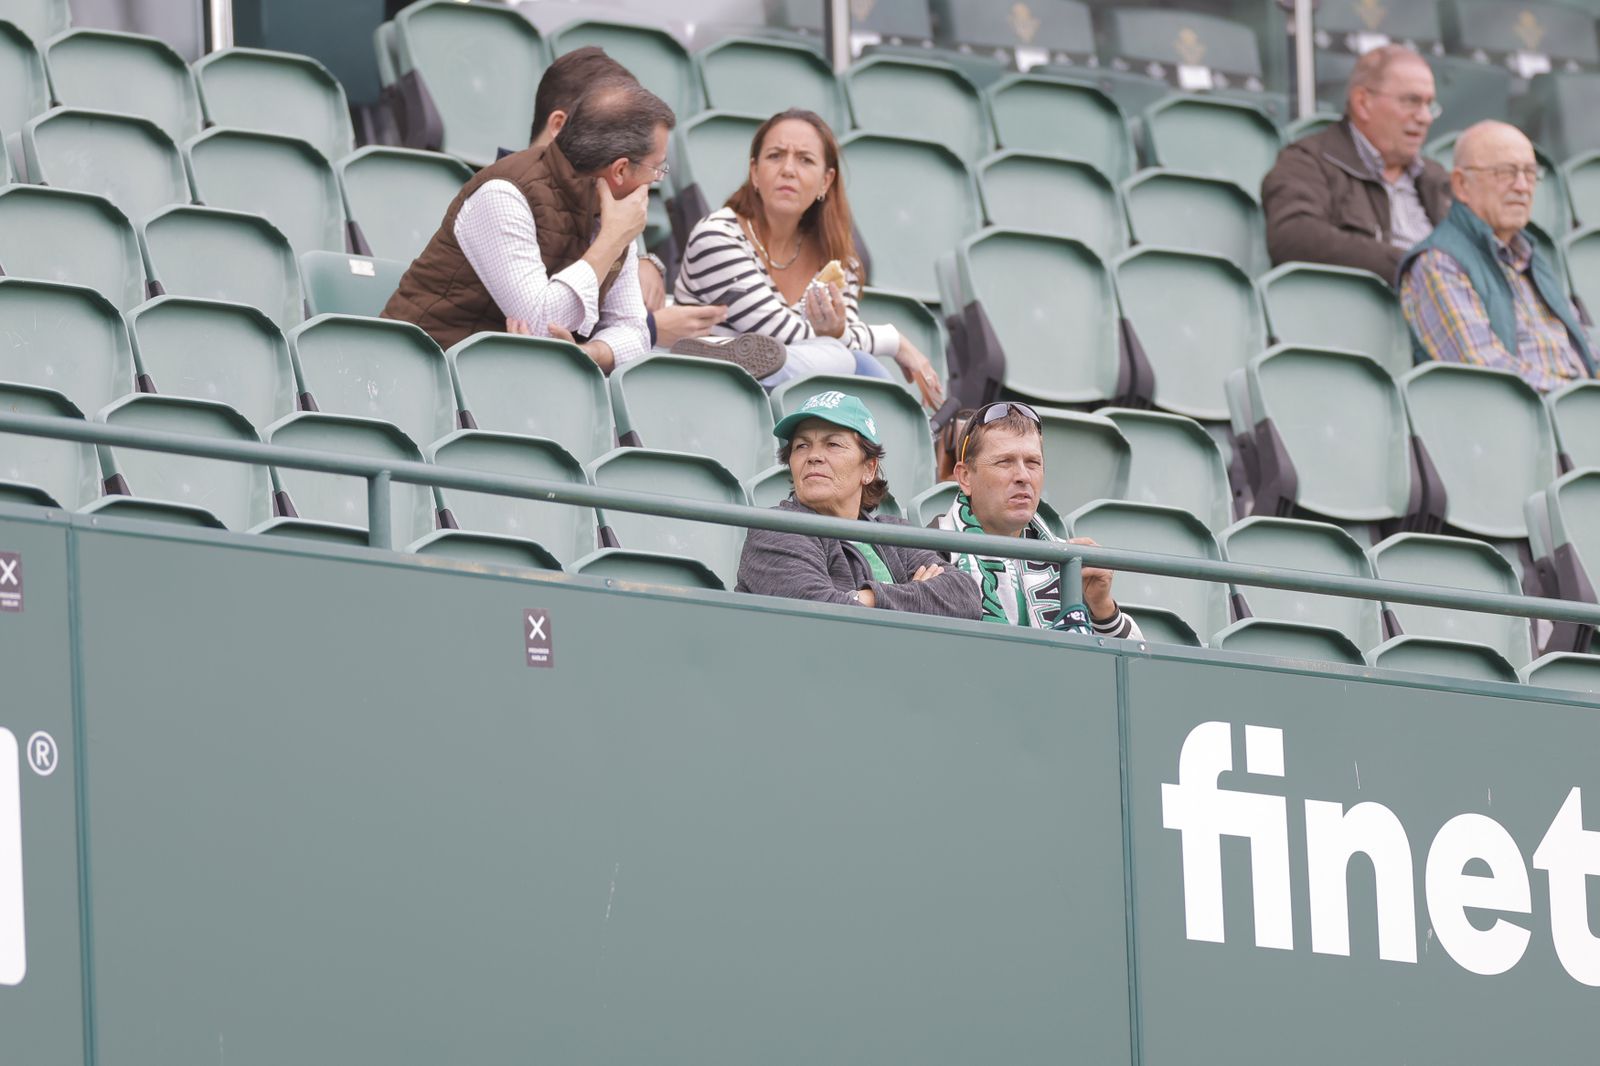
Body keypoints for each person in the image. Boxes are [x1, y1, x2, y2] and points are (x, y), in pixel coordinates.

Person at [381, 80, 670, 372]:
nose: (657, 178)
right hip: (418, 372)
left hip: (495, 380)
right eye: (657, 168)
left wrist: (589, 352)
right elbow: (541, 326)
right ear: (620, 170)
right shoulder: (504, 194)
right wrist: (610, 241)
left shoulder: (616, 212)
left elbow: (635, 333)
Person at [673, 109, 944, 405]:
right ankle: (724, 353)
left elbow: (843, 338)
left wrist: (837, 333)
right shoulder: (717, 236)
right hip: (708, 393)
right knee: (844, 360)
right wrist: (893, 341)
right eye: (775, 156)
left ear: (826, 181)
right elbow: (782, 332)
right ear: (754, 172)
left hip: (797, 399)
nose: (788, 170)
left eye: (805, 160)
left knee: (844, 359)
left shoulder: (840, 260)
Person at [524, 47, 723, 349]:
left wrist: (644, 259)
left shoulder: (604, 193)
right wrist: (653, 328)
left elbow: (627, 325)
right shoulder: (504, 194)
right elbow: (542, 325)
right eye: (613, 125)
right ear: (560, 127)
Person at [736, 391, 979, 617]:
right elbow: (820, 613)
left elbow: (965, 597)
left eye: (833, 444)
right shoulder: (776, 528)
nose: (813, 456)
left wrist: (864, 597)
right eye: (802, 446)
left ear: (869, 469)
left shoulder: (894, 534)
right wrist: (914, 596)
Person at [1399, 121, 1595, 392]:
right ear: (1461, 185)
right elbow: (1487, 374)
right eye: (1505, 173)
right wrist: (1579, 399)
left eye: (1530, 173)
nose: (1522, 186)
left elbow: (1586, 349)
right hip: (1534, 413)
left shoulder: (1532, 258)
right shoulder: (1437, 263)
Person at [932, 402, 1142, 637]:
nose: (1023, 476)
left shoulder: (1071, 566)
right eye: (1004, 462)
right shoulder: (928, 554)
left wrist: (1102, 608)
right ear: (965, 477)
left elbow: (1138, 658)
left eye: (1033, 463)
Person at [1262, 45, 1451, 280]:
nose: (1425, 117)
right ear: (1363, 102)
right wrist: (1410, 265)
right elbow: (1294, 237)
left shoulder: (1437, 177)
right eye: (1411, 101)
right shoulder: (1307, 161)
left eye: (1429, 105)